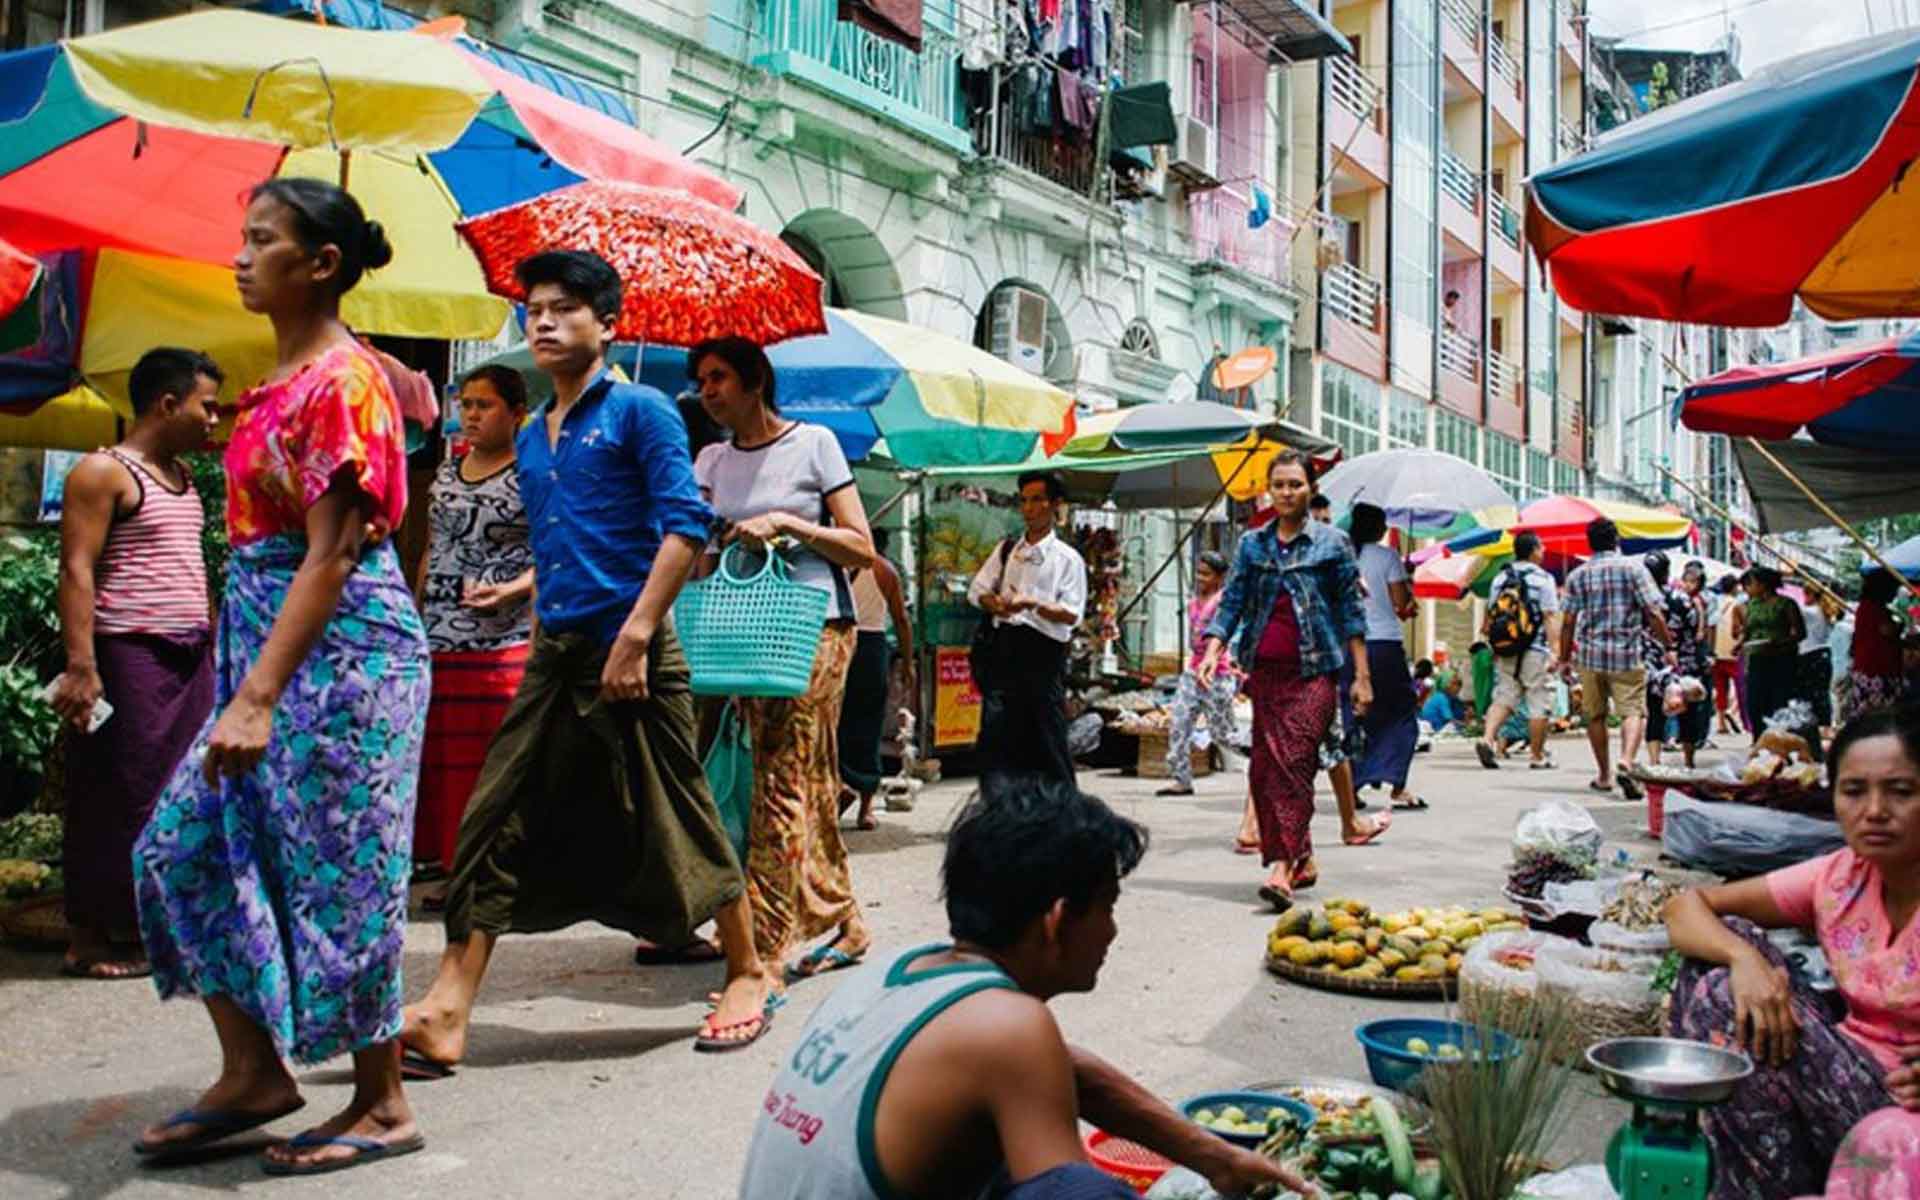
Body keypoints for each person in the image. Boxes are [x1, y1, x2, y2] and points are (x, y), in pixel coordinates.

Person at [401, 251, 777, 1070]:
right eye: (534, 308)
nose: (543, 321)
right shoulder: (533, 437)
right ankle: (450, 1005)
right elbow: (567, 538)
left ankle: (748, 969)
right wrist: (518, 593)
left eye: (565, 308)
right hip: (554, 650)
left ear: (608, 324)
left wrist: (638, 635)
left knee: (677, 813)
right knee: (492, 818)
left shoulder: (641, 411)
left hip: (634, 645)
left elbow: (682, 526)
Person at [130, 178, 431, 1173]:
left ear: (322, 264)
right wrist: (250, 682)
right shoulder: (279, 380)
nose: (240, 254)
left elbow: (334, 554)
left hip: (343, 659)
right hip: (272, 647)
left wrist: (258, 694)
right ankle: (255, 1072)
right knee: (183, 851)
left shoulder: (345, 382)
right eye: (243, 237)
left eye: (262, 240)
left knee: (342, 875)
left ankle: (381, 1102)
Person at [736, 776, 1317, 1200]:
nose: (1114, 930)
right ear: (1057, 920)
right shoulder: (1009, 1027)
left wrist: (1217, 1160)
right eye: (1108, 908)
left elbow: (1072, 1073)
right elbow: (1069, 1195)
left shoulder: (906, 977)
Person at [1664, 705, 1920, 1200]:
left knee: (1720, 1000)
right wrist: (1745, 960)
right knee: (1716, 958)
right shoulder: (1840, 877)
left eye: (1901, 792)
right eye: (1853, 791)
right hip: (1845, 1080)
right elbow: (1684, 907)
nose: (1874, 811)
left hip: (1900, 1115)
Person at [691, 335, 878, 982]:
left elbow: (861, 547)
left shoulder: (814, 443)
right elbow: (699, 556)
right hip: (744, 631)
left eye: (719, 377)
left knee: (779, 778)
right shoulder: (710, 461)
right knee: (806, 778)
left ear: (754, 382)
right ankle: (845, 922)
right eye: (702, 379)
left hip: (816, 626)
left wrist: (789, 524)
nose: (708, 390)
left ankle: (769, 945)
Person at [49, 347, 220, 980]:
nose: (213, 420)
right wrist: (81, 664)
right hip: (128, 651)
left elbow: (189, 566)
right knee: (117, 791)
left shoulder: (182, 475)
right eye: (206, 406)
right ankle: (90, 936)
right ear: (166, 403)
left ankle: (156, 926)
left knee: (183, 793)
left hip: (188, 653)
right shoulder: (105, 472)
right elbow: (76, 569)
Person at [1198, 451, 1369, 911]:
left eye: (1295, 484)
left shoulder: (1333, 544)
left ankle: (1281, 866)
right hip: (1265, 673)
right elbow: (1232, 603)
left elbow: (1352, 612)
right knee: (1265, 770)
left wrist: (1362, 677)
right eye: (1279, 485)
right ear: (1269, 491)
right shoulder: (1253, 545)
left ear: (1310, 488)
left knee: (1293, 760)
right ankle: (1303, 856)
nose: (1287, 492)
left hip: (1315, 672)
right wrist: (1214, 649)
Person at [411, 365, 534, 891]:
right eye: (466, 404)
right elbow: (432, 550)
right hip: (439, 634)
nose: (473, 415)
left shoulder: (533, 473)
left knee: (491, 758)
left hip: (502, 640)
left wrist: (514, 589)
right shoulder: (446, 471)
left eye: (485, 405)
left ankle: (494, 871)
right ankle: (449, 865)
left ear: (516, 414)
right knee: (440, 759)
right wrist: (414, 614)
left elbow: (558, 551)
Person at [967, 471, 1088, 782]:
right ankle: (1000, 809)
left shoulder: (1067, 559)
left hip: (1044, 654)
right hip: (1004, 648)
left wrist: (1032, 604)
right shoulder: (1007, 550)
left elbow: (1072, 612)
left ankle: (1061, 810)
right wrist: (996, 604)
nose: (1029, 509)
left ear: (1054, 505)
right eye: (1024, 501)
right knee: (998, 735)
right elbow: (976, 590)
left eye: (1037, 500)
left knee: (1047, 735)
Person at [1558, 517, 1670, 799]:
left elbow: (1568, 622)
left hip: (1589, 655)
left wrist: (1563, 659)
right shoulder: (1634, 569)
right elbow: (1653, 613)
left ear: (1590, 543)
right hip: (1627, 654)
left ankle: (1604, 775)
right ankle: (1627, 761)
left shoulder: (1578, 575)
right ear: (1617, 539)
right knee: (1633, 711)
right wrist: (1668, 645)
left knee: (1596, 716)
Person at [1345, 502, 1420, 813]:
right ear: (1379, 528)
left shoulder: (1342, 555)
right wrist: (1408, 581)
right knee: (1402, 713)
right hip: (1384, 644)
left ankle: (1352, 784)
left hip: (1349, 645)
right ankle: (1398, 785)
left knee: (1355, 714)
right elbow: (1402, 605)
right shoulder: (1387, 557)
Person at [838, 527, 915, 831]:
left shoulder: (838, 563)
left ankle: (846, 788)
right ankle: (865, 805)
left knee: (838, 723)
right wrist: (907, 663)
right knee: (867, 724)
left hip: (844, 643)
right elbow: (901, 621)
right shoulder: (886, 571)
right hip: (871, 647)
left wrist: (908, 663)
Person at [1474, 531, 1562, 772]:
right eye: (1541, 548)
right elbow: (1550, 617)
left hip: (1506, 647)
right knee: (1538, 699)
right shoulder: (1543, 579)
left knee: (1504, 695)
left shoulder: (1500, 578)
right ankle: (1536, 755)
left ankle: (1487, 739)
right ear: (1533, 550)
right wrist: (1556, 651)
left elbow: (1490, 613)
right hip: (1535, 648)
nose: (1543, 552)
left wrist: (1491, 643)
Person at [1157, 550, 1238, 797]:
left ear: (1220, 577)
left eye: (1207, 574)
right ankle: (1181, 779)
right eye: (1199, 573)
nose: (1201, 578)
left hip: (1217, 675)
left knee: (1223, 734)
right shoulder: (1193, 603)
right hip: (1193, 672)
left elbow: (1227, 635)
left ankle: (1265, 758)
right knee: (1179, 723)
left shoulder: (1226, 602)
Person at [1643, 552, 1711, 769]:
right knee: (1688, 714)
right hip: (1683, 662)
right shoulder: (1681, 598)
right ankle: (1689, 762)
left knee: (1655, 713)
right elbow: (1693, 630)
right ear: (1666, 572)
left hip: (1653, 663)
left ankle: (1654, 762)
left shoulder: (1641, 598)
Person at [1742, 566, 1816, 757]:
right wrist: (1742, 644)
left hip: (1782, 659)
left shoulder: (1786, 604)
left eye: (1752, 583)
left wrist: (1780, 642)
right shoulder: (1752, 605)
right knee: (1755, 703)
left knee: (1779, 703)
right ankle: (1760, 742)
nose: (1748, 588)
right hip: (1757, 658)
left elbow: (1800, 633)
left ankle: (1781, 745)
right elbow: (1748, 632)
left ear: (1764, 584)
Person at [1846, 571, 1905, 722]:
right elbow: (1887, 630)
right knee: (1877, 717)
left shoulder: (1864, 607)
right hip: (1876, 669)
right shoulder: (1875, 609)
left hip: (1867, 667)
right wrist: (1899, 626)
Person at [1711, 575, 1748, 735]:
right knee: (1741, 688)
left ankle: (1720, 723)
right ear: (1734, 587)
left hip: (1716, 652)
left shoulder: (1714, 602)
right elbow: (1743, 627)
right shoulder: (1737, 604)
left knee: (1720, 689)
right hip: (1733, 652)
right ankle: (1747, 723)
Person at [1798, 583, 1836, 732]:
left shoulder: (1810, 612)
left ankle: (1812, 728)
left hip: (1810, 655)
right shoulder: (1824, 612)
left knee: (1809, 695)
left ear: (1811, 595)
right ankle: (1825, 727)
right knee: (1822, 693)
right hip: (1824, 654)